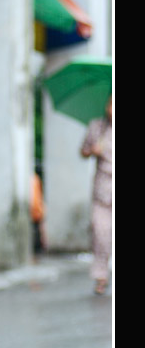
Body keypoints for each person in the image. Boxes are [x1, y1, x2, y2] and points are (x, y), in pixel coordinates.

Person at [80, 96, 112, 294]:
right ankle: (101, 276)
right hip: (102, 190)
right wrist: (92, 150)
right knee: (100, 233)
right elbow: (82, 151)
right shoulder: (97, 127)